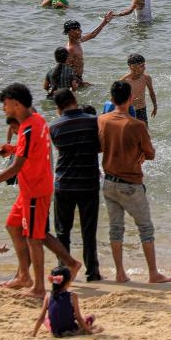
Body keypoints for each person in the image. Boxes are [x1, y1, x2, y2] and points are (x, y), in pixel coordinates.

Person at [0, 83, 82, 297]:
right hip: (29, 189)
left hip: (36, 190)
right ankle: (25, 275)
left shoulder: (28, 128)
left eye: (6, 105)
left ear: (16, 104)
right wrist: (11, 148)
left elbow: (16, 167)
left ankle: (38, 286)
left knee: (35, 238)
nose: (4, 109)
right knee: (13, 226)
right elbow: (30, 151)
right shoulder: (36, 119)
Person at [98, 80, 171, 283]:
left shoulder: (102, 120)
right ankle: (153, 274)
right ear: (130, 99)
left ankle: (120, 273)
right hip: (130, 182)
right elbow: (151, 154)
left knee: (116, 228)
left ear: (111, 99)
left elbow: (99, 146)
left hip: (109, 182)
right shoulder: (137, 125)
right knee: (145, 228)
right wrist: (139, 153)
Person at [49, 88, 103, 282]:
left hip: (63, 184)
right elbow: (100, 147)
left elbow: (59, 148)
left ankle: (63, 271)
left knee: (63, 231)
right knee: (89, 231)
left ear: (58, 107)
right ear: (75, 99)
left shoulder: (54, 126)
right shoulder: (93, 121)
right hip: (88, 183)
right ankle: (93, 272)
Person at [32, 266, 102, 337]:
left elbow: (41, 317)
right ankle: (87, 326)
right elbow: (79, 318)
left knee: (45, 319)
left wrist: (33, 334)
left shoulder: (48, 297)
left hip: (55, 331)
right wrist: (90, 332)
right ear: (68, 282)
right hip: (70, 330)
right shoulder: (72, 296)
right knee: (91, 317)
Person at [63, 13, 114, 86]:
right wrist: (81, 83)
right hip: (72, 81)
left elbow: (93, 35)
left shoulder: (77, 41)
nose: (81, 31)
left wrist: (104, 22)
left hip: (78, 79)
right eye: (78, 30)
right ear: (70, 32)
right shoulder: (70, 49)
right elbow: (65, 71)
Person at [120, 53, 157, 125]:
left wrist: (155, 107)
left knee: (144, 130)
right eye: (141, 66)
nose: (144, 67)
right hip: (128, 110)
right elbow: (117, 98)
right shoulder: (124, 80)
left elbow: (151, 92)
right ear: (132, 66)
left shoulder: (146, 78)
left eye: (144, 65)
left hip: (141, 109)